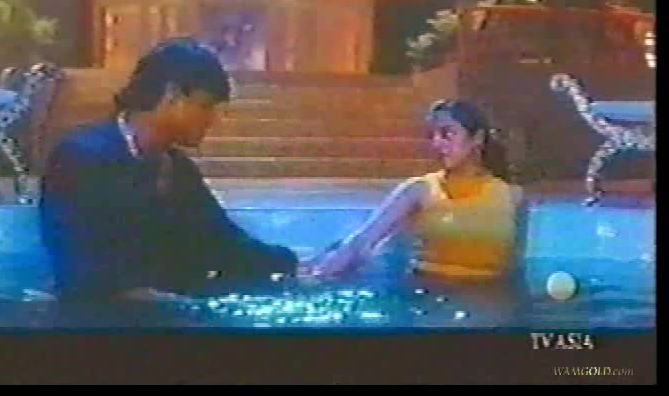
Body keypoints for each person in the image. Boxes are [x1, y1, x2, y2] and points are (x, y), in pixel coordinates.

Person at [39, 37, 298, 303]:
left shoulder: (177, 169)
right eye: (205, 106)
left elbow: (224, 243)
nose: (212, 120)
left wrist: (294, 266)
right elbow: (82, 270)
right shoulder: (82, 158)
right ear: (172, 95)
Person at [302, 99, 523, 284]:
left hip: (491, 302)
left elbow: (515, 267)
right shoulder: (419, 189)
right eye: (432, 135)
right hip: (428, 299)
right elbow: (362, 241)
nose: (436, 143)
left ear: (477, 138)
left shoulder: (512, 197)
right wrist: (318, 276)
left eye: (447, 134)